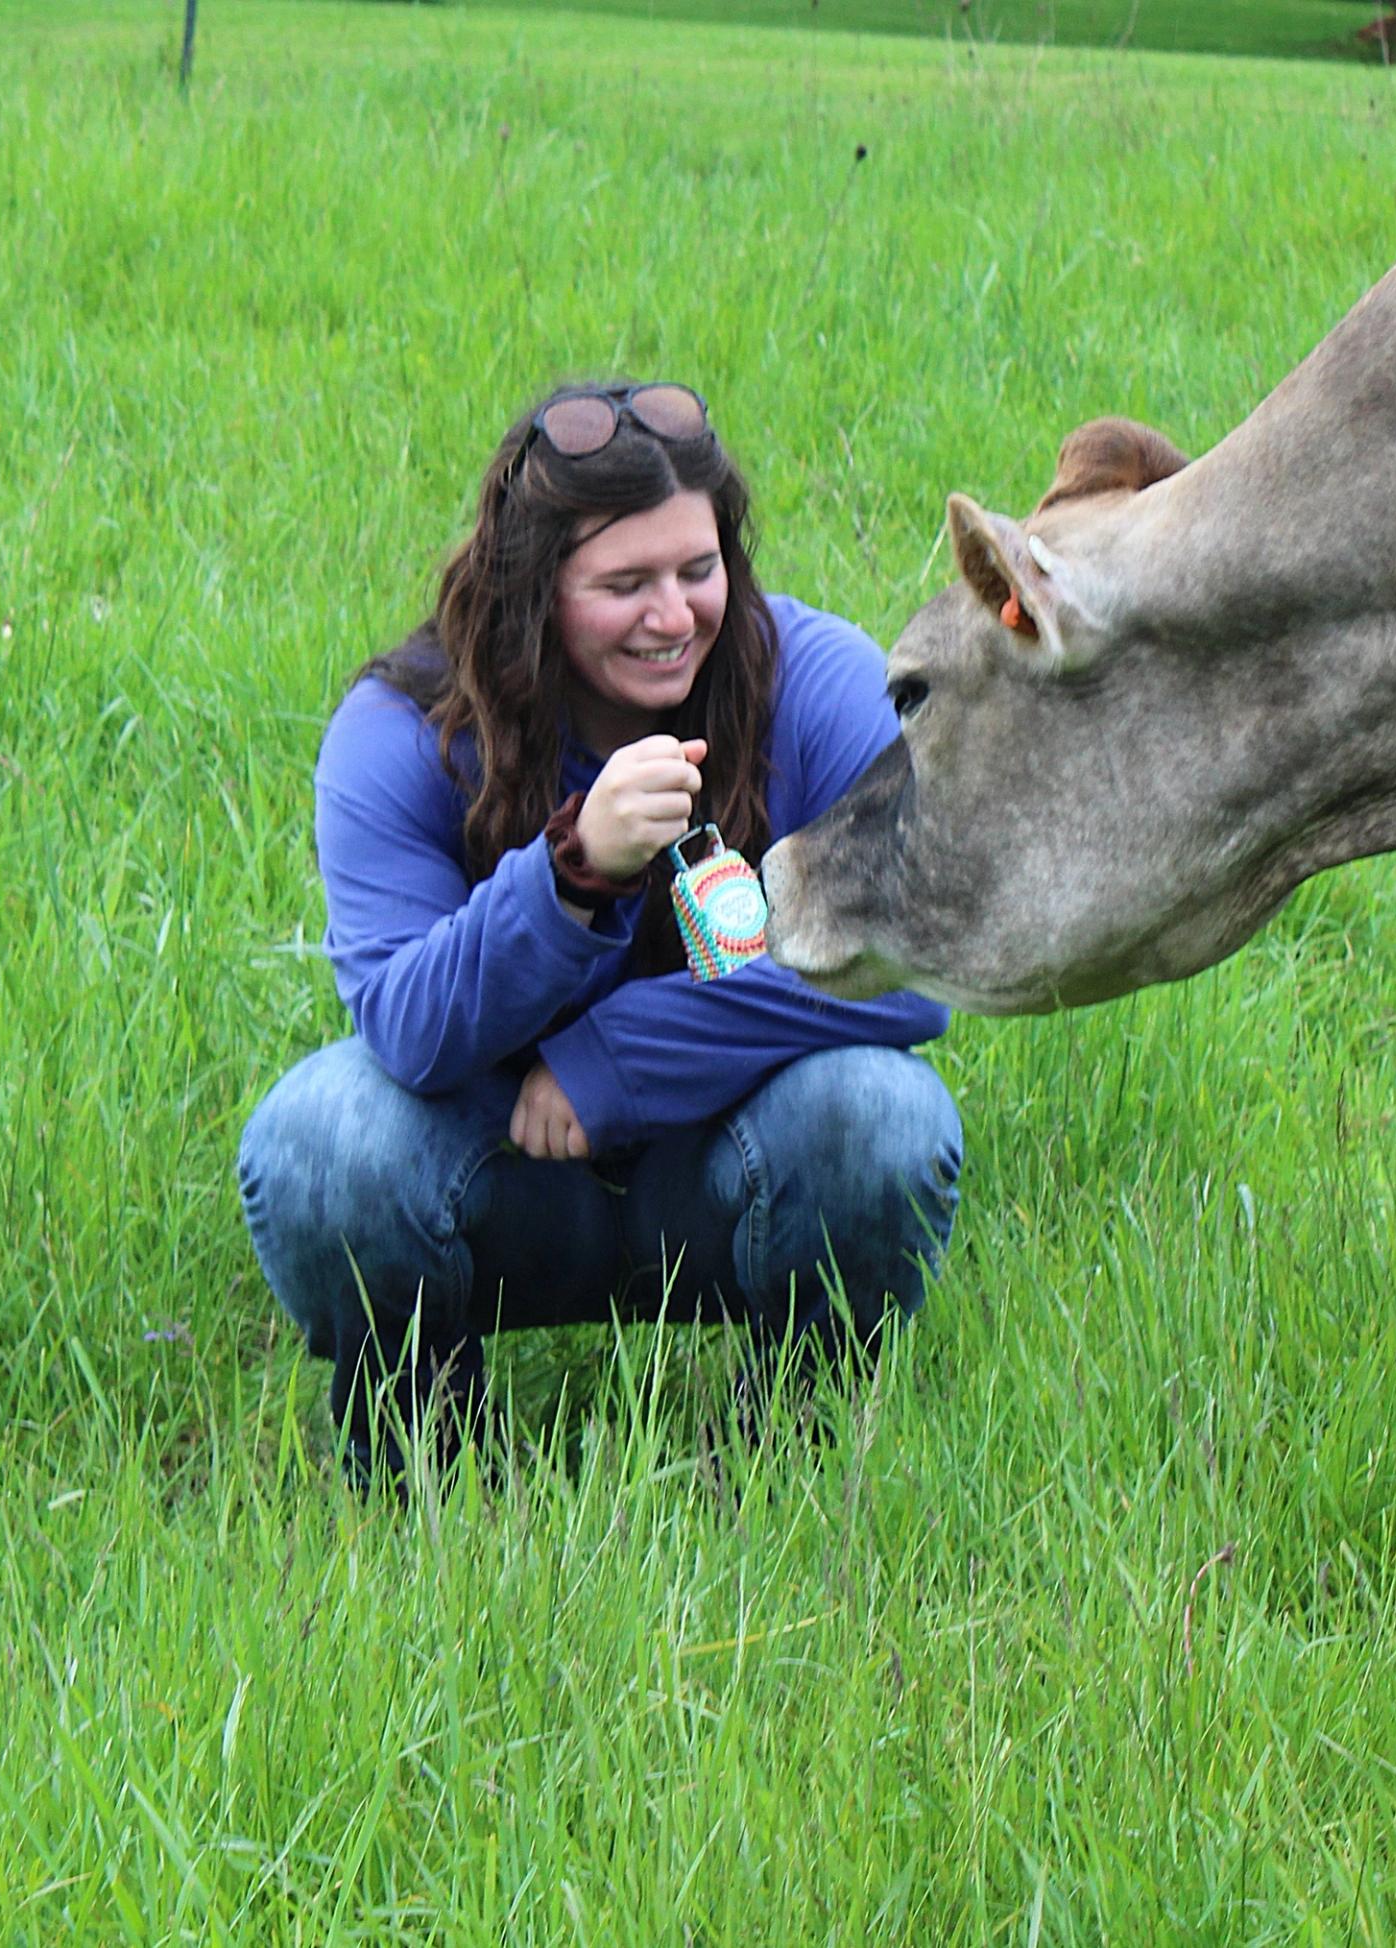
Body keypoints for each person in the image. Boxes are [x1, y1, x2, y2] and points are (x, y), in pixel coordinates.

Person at [236, 381, 963, 1474]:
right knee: (319, 1139)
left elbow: (919, 958)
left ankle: (795, 1458)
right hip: (499, 1174)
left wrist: (610, 1060)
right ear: (534, 591)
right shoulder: (401, 729)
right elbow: (404, 1027)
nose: (673, 616)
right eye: (624, 584)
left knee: (883, 1118)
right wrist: (571, 878)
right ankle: (426, 1468)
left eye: (697, 570)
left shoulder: (810, 680)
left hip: (725, 1163)